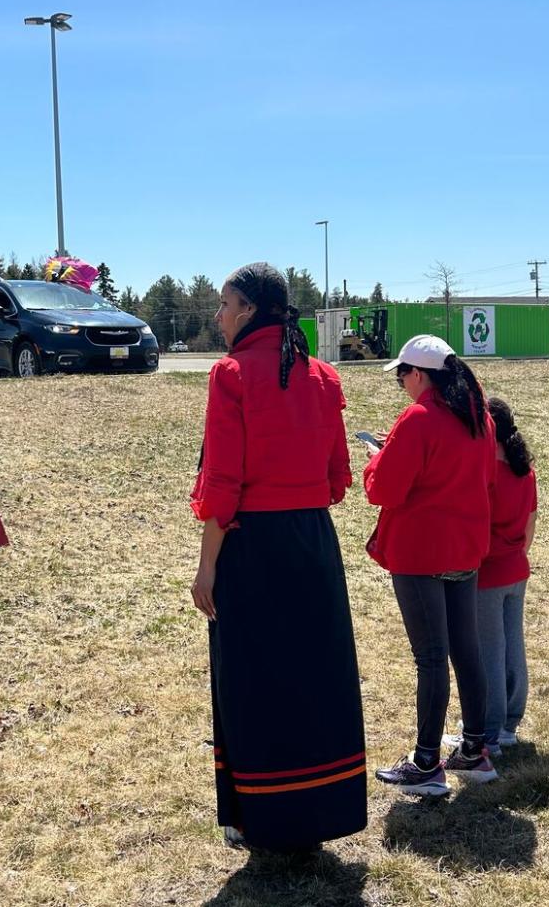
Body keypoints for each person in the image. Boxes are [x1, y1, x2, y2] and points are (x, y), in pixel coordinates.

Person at [189, 262, 365, 852]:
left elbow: (223, 484)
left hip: (252, 546)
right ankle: (318, 811)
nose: (218, 316)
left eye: (225, 304)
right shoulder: (323, 377)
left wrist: (207, 563)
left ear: (250, 311)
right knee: (316, 678)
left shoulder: (231, 374)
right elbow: (338, 479)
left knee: (253, 682)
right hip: (314, 544)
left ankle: (257, 817)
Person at [364, 335, 498, 796]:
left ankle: (425, 763)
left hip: (421, 553)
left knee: (430, 658)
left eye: (402, 375)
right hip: (465, 548)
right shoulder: (477, 417)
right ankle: (476, 748)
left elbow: (384, 489)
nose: (401, 384)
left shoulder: (418, 419)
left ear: (418, 375)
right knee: (467, 650)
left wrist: (377, 458)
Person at [469, 397, 537, 754]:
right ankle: (510, 722)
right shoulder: (524, 469)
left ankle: (488, 733)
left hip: (487, 575)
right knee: (513, 648)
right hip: (516, 569)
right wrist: (517, 556)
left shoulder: (483, 473)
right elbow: (530, 523)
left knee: (488, 655)